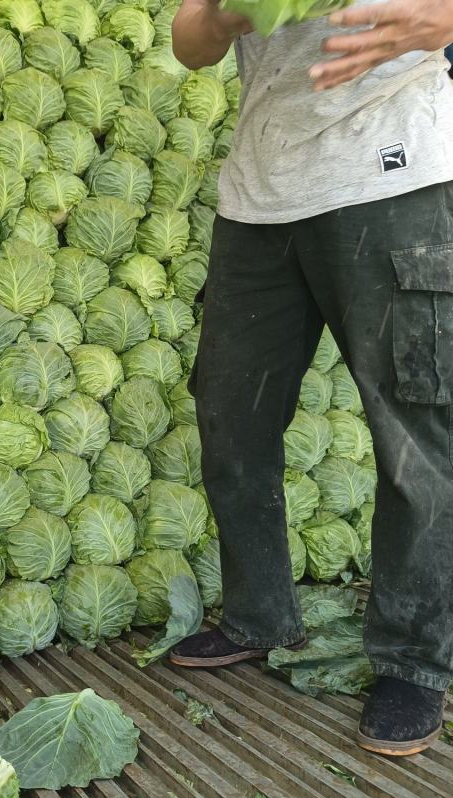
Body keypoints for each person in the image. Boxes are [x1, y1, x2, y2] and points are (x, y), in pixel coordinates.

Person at [169, 0, 453, 757]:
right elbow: (188, 41)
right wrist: (227, 15)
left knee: (414, 435)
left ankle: (413, 663)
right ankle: (258, 615)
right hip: (259, 195)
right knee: (231, 416)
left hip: (394, 181)